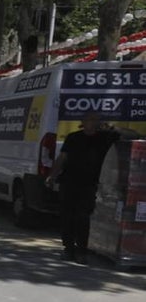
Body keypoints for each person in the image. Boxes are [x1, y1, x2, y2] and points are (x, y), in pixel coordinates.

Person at [46, 113, 123, 264]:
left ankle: (81, 250)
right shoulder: (73, 137)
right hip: (69, 181)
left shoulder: (106, 137)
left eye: (95, 120)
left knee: (83, 216)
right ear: (82, 122)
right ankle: (68, 248)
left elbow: (128, 135)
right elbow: (62, 158)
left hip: (89, 184)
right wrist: (52, 176)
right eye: (88, 119)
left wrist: (112, 127)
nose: (91, 122)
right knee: (67, 216)